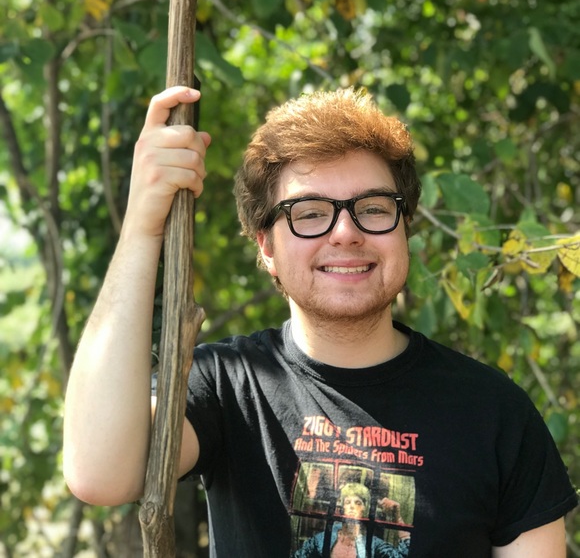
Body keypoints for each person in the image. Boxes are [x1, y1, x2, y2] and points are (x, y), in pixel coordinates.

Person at [63, 86, 578, 557]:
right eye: (309, 213)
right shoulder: (224, 386)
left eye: (373, 208)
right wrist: (143, 223)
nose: (346, 232)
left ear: (404, 228)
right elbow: (100, 472)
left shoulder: (495, 413)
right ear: (266, 247)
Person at [294, 483, 410, 557]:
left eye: (358, 503)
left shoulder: (373, 544)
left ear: (364, 508)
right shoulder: (323, 538)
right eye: (348, 502)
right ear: (342, 507)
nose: (352, 506)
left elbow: (404, 555)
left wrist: (397, 517)